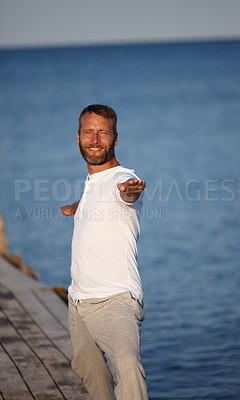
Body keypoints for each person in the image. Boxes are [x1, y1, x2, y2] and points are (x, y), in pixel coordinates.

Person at [61, 104, 148, 399]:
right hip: (78, 302)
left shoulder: (121, 179)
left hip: (115, 303)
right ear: (78, 137)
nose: (95, 140)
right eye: (89, 132)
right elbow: (98, 198)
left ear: (115, 138)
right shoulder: (93, 181)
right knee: (93, 380)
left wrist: (131, 191)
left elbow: (125, 192)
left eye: (103, 133)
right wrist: (77, 207)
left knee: (127, 368)